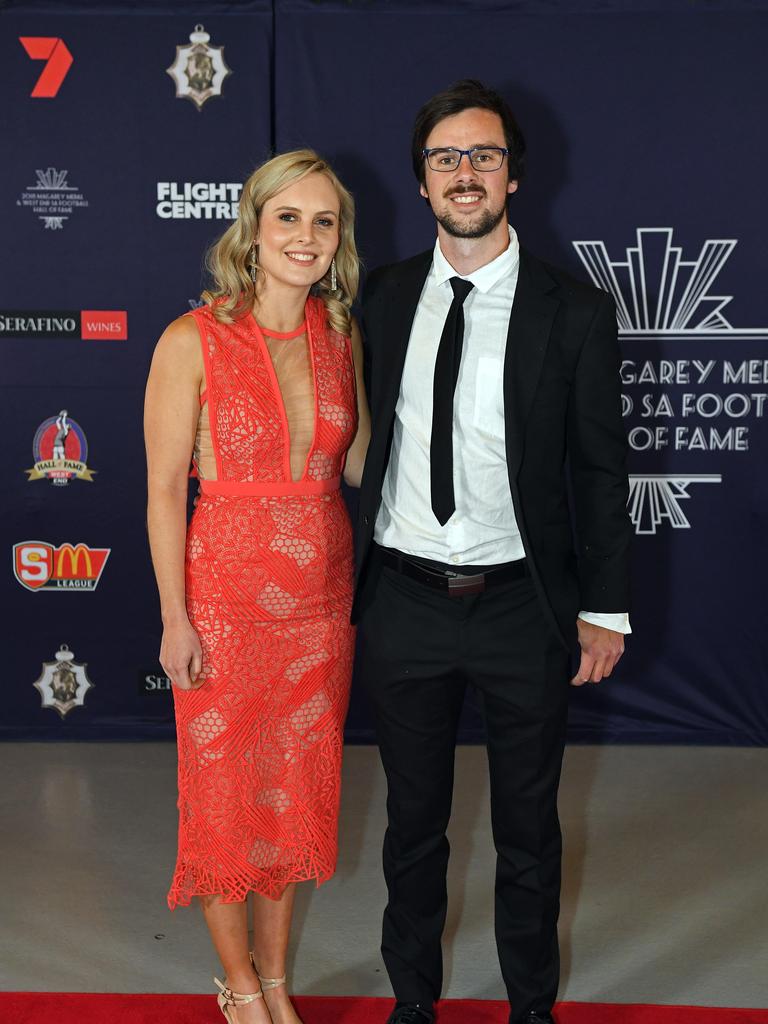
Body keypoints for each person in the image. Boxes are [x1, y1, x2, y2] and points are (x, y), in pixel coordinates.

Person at [354, 80, 632, 1024]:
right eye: (445, 158)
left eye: (482, 156)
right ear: (423, 183)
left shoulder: (577, 311)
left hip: (525, 608)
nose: (464, 173)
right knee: (412, 831)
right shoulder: (382, 299)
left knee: (528, 833)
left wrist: (608, 604)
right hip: (404, 601)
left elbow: (600, 470)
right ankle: (413, 1009)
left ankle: (531, 1011)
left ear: (514, 174)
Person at [144, 149, 369, 1024]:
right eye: (290, 218)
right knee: (226, 805)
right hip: (225, 608)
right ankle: (238, 990)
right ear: (253, 225)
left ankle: (278, 983)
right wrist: (175, 618)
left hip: (321, 606)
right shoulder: (191, 338)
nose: (307, 237)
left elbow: (355, 464)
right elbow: (165, 488)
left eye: (325, 221)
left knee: (295, 798)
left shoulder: (342, 336)